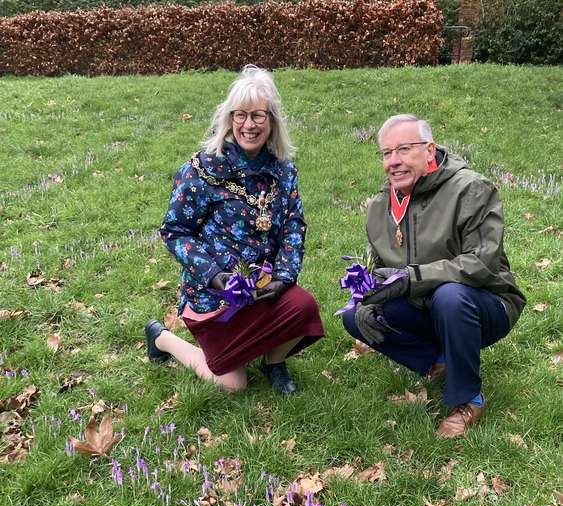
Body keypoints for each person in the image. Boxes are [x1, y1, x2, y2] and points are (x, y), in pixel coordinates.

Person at [342, 114, 526, 437]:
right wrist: (366, 298)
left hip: (486, 303)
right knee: (353, 316)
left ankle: (467, 398)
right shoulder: (379, 207)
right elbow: (378, 266)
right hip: (425, 305)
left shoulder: (471, 189)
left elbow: (480, 264)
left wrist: (413, 278)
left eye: (404, 149)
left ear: (429, 150)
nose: (393, 162)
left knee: (450, 296)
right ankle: (437, 360)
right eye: (386, 153)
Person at [146, 65, 324, 395]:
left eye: (258, 115)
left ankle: (274, 361)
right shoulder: (203, 169)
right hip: (214, 298)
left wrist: (284, 275)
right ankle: (162, 337)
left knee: (304, 308)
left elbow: (293, 226)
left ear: (272, 120)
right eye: (240, 115)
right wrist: (213, 274)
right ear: (229, 119)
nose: (248, 124)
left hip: (260, 287)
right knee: (233, 383)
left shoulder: (283, 170)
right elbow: (175, 231)